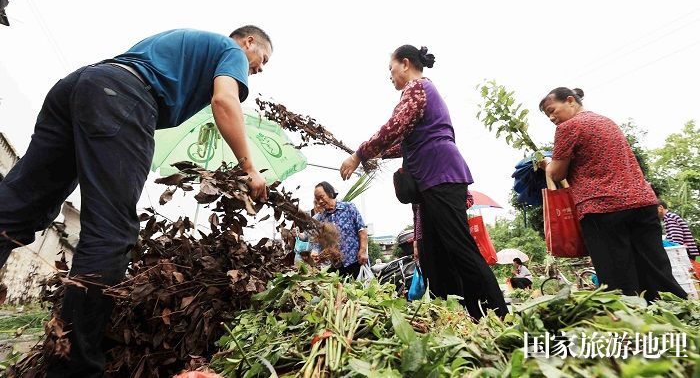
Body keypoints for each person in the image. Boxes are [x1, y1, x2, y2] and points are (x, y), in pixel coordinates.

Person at [0, 26, 273, 377]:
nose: (260, 69)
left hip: (84, 85)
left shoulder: (189, 46)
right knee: (111, 231)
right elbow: (224, 100)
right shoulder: (231, 51)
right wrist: (249, 168)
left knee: (19, 207)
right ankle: (72, 369)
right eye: (262, 59)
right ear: (248, 42)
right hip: (121, 96)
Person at [340, 45, 508, 320]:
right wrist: (376, 154)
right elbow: (403, 140)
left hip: (441, 176)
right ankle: (452, 314)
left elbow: (394, 127)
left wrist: (360, 154)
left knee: (458, 246)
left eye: (391, 69)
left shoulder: (418, 88)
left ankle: (496, 314)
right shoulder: (422, 92)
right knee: (432, 253)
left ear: (405, 63)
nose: (390, 76)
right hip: (430, 180)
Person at [539, 87, 687, 301]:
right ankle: (677, 319)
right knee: (656, 273)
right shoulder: (607, 121)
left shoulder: (568, 127)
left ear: (570, 100)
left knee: (619, 280)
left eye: (552, 110)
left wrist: (546, 164)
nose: (552, 117)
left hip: (602, 208)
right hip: (642, 203)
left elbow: (556, 172)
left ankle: (630, 329)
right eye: (547, 115)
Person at [311, 181, 368, 278]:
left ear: (330, 193)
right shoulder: (320, 218)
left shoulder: (349, 208)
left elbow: (362, 230)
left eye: (322, 197)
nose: (320, 201)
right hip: (335, 266)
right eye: (317, 199)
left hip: (355, 261)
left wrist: (362, 251)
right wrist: (315, 251)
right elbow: (318, 241)